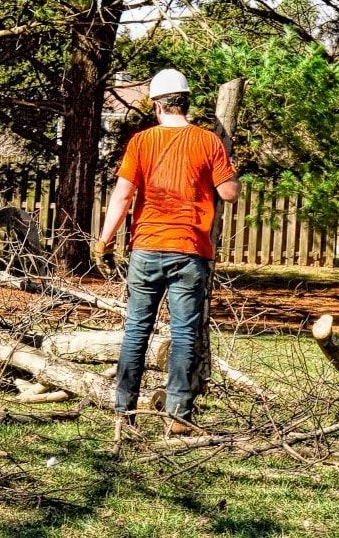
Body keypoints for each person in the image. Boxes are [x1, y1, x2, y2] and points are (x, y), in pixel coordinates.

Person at [93, 68, 240, 436]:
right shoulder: (208, 142)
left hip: (145, 248)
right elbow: (230, 193)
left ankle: (124, 410)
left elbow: (123, 195)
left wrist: (104, 239)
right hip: (190, 250)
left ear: (157, 106)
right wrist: (224, 171)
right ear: (185, 102)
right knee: (185, 334)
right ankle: (178, 416)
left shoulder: (141, 143)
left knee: (136, 331)